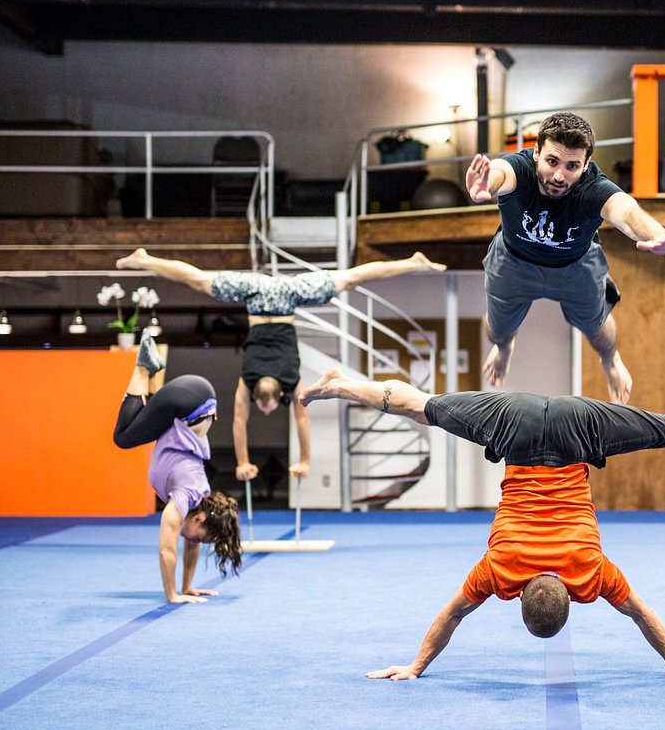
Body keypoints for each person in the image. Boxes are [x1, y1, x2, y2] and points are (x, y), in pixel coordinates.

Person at [296, 369, 665, 680]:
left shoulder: (589, 573)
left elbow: (642, 615)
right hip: (514, 425)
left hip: (576, 427)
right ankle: (342, 387)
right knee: (422, 409)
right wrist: (413, 666)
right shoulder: (499, 572)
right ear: (517, 598)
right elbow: (450, 617)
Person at [116, 248, 446, 484]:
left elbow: (268, 421)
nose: (270, 411)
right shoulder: (257, 380)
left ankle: (145, 259)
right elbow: (241, 421)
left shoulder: (288, 378)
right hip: (268, 295)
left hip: (280, 296)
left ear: (269, 396)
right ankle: (412, 261)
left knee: (349, 279)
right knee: (350, 278)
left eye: (268, 408)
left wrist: (258, 463)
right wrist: (288, 461)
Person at [464, 111, 665, 405]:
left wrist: (656, 237)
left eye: (572, 166)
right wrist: (487, 185)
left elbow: (626, 212)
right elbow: (499, 172)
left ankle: (610, 361)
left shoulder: (592, 188)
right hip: (513, 263)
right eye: (552, 162)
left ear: (585, 165)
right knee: (498, 330)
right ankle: (505, 348)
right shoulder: (519, 170)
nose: (559, 175)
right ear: (536, 153)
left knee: (597, 328)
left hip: (575, 268)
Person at [112, 332, 242, 604]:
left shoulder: (200, 502)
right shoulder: (184, 498)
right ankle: (142, 367)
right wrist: (172, 596)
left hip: (197, 404)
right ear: (200, 519)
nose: (195, 543)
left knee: (140, 424)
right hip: (189, 402)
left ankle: (149, 370)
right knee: (122, 438)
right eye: (203, 538)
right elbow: (166, 550)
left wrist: (187, 588)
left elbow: (190, 544)